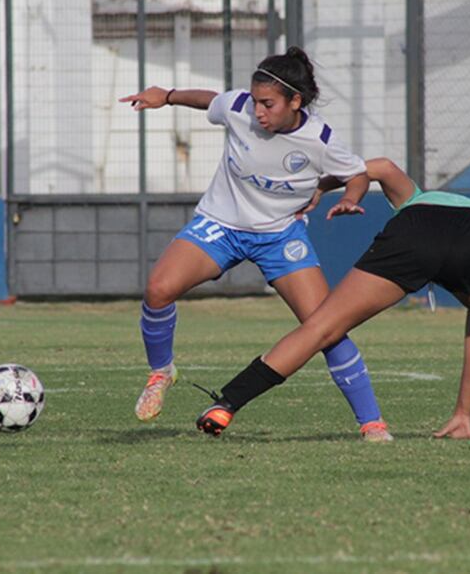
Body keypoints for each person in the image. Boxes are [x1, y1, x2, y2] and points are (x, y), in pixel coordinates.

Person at [195, 163, 470, 441]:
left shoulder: (415, 198)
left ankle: (227, 404)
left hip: (411, 236)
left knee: (321, 327)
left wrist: (327, 188)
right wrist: (462, 414)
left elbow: (377, 166)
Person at [118, 46, 393, 442]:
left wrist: (352, 197)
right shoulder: (239, 108)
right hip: (220, 225)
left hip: (280, 236)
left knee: (325, 327)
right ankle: (161, 372)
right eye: (256, 101)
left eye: (268, 104)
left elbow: (357, 174)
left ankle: (372, 423)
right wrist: (168, 95)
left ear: (295, 101)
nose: (258, 111)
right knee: (159, 289)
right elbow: (211, 101)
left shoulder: (320, 139)